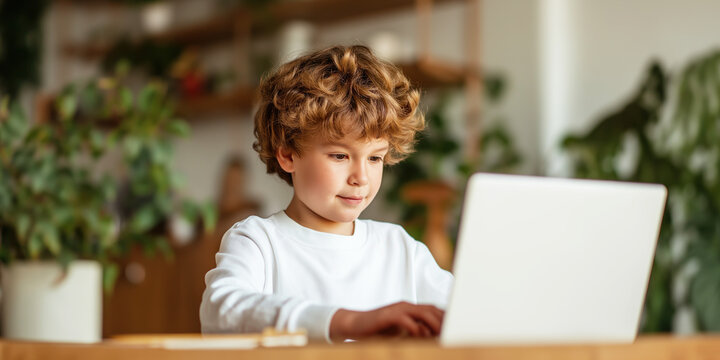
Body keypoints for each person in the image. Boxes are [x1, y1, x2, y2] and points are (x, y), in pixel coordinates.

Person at [200, 45, 454, 343]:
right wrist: (346, 322)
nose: (361, 177)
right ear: (288, 154)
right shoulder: (259, 241)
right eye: (339, 156)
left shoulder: (401, 250)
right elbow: (221, 312)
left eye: (375, 158)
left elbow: (469, 318)